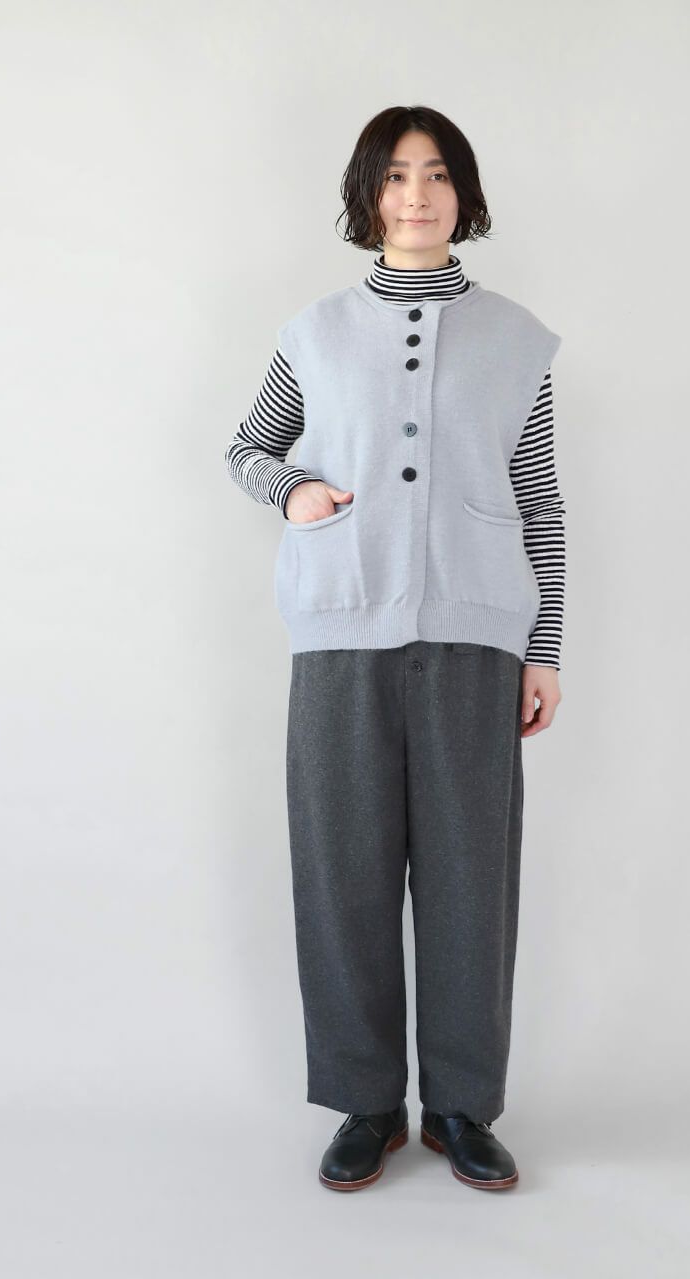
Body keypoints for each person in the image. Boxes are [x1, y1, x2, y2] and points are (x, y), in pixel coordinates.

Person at [224, 105, 566, 1192]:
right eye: (395, 176)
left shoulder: (517, 340)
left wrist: (544, 649)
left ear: (465, 194)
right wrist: (294, 489)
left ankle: (460, 1105)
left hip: (476, 639)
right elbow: (248, 448)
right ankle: (366, 1103)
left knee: (471, 882)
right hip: (340, 631)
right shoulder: (313, 334)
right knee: (343, 876)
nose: (416, 195)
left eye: (437, 174)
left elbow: (539, 500)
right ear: (366, 194)